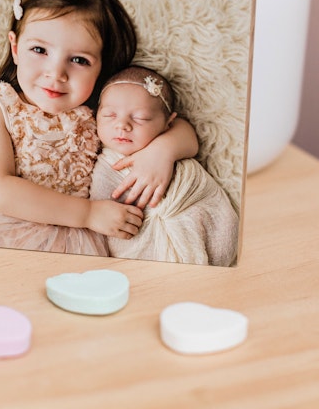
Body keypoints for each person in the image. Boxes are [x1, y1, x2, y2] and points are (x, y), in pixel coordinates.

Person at [0, 0, 199, 255]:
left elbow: (177, 127)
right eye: (39, 50)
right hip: (6, 234)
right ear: (15, 48)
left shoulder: (99, 108)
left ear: (101, 67)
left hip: (81, 243)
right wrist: (87, 214)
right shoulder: (1, 106)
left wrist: (162, 152)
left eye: (79, 60)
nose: (56, 73)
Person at [90, 66, 239, 266]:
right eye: (109, 115)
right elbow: (102, 212)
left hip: (191, 211)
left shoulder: (170, 142)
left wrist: (161, 154)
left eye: (140, 118)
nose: (122, 125)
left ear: (168, 123)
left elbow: (191, 148)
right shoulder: (102, 162)